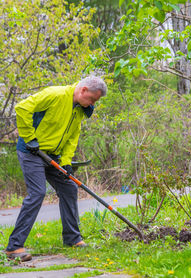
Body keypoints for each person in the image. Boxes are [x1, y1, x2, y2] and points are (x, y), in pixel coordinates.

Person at [5, 76, 107, 262]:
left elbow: (72, 136)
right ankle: (14, 247)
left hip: (53, 156)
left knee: (69, 188)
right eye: (92, 99)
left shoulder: (79, 110)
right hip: (31, 151)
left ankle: (72, 239)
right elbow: (22, 108)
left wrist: (66, 161)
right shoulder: (55, 94)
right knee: (37, 193)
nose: (92, 104)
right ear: (83, 90)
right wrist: (29, 138)